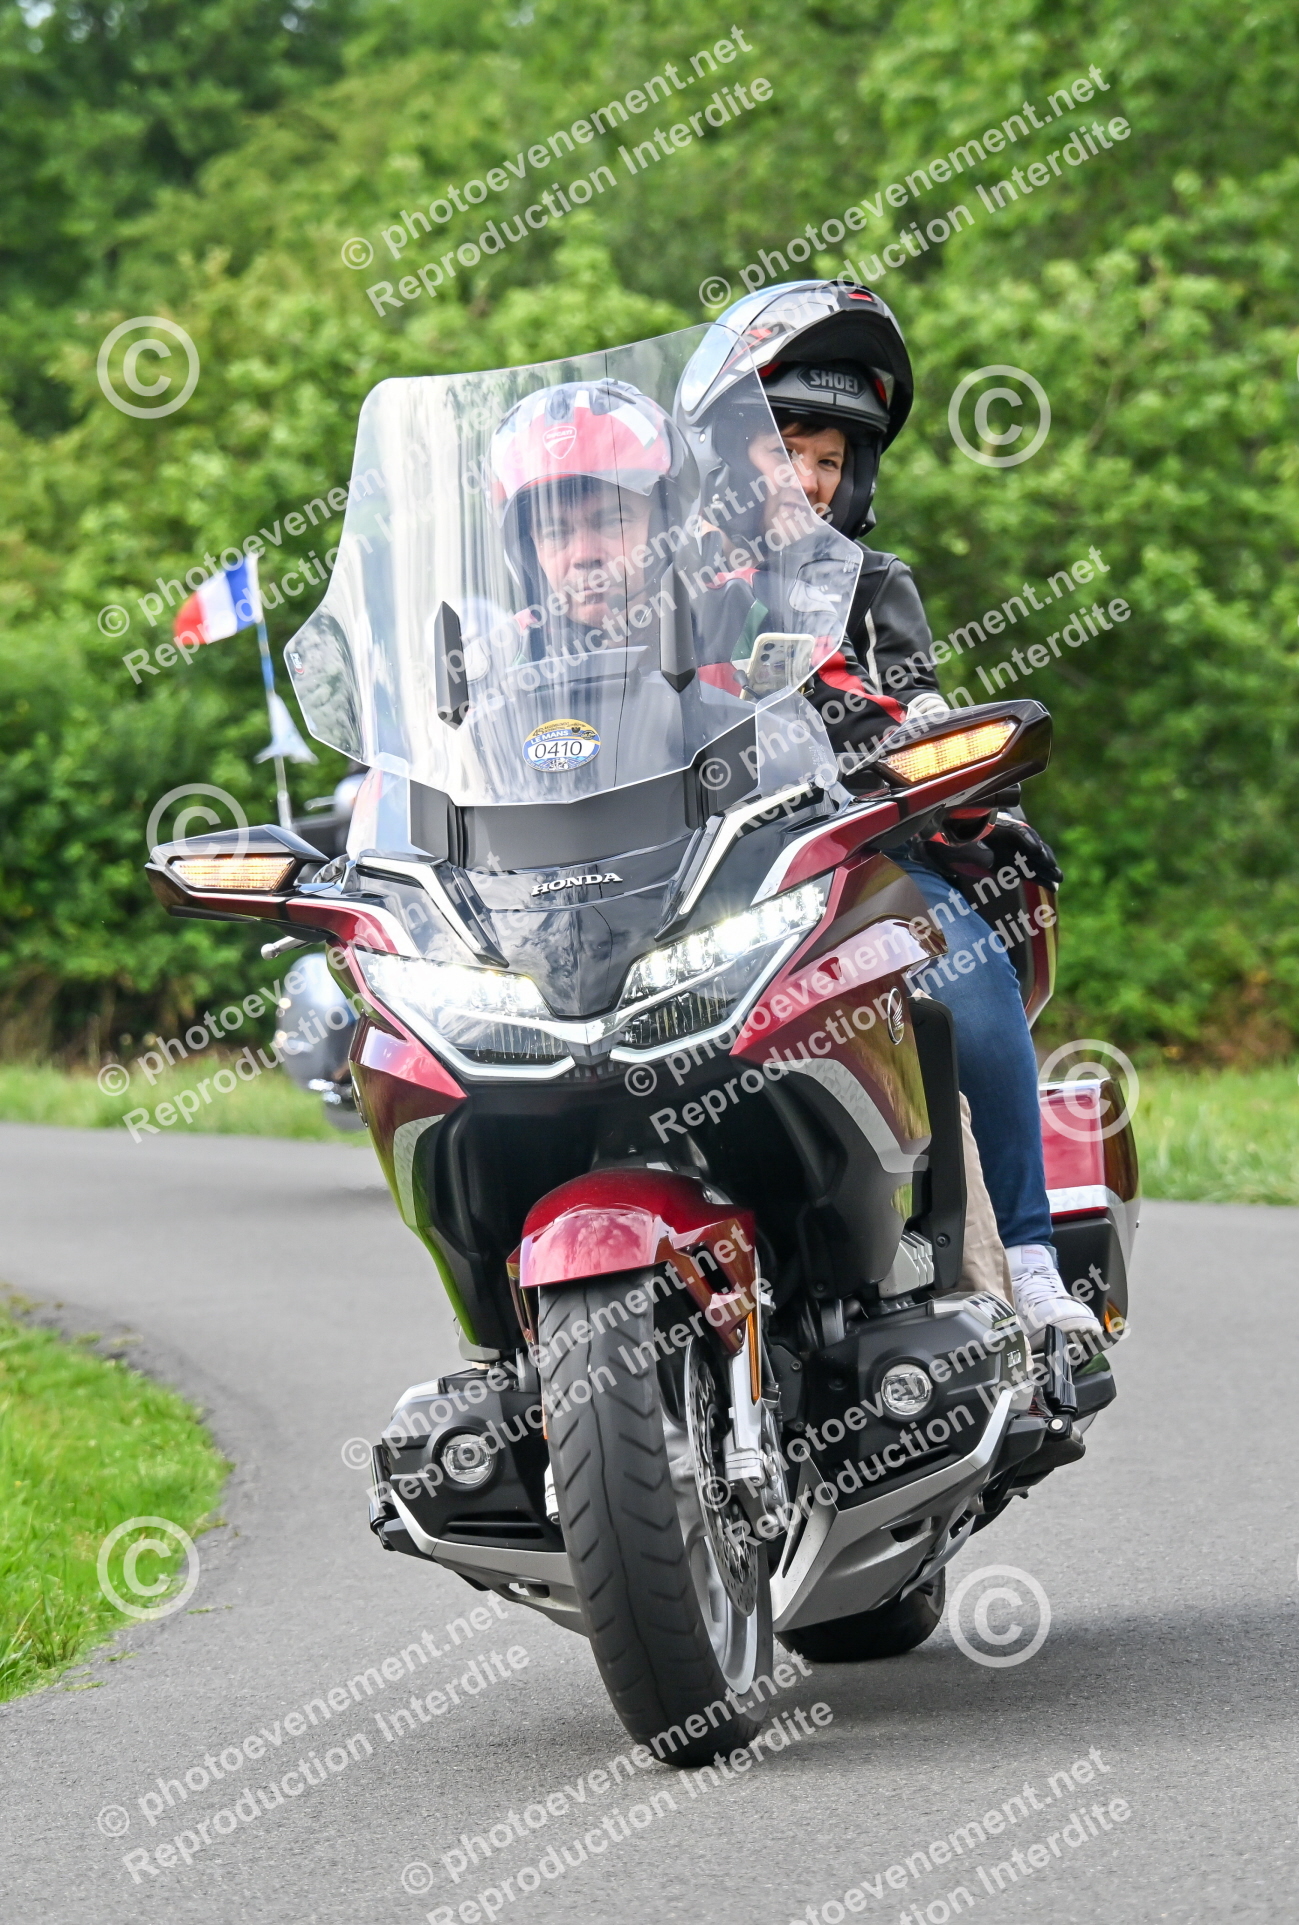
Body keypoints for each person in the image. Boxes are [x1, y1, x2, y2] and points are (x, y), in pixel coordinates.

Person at [677, 280, 1100, 1338]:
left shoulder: (871, 585)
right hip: (685, 871)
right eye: (787, 450)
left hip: (851, 857)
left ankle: (1030, 1260)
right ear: (726, 457)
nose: (811, 478)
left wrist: (936, 756)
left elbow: (918, 705)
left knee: (964, 968)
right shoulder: (668, 589)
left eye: (831, 459)